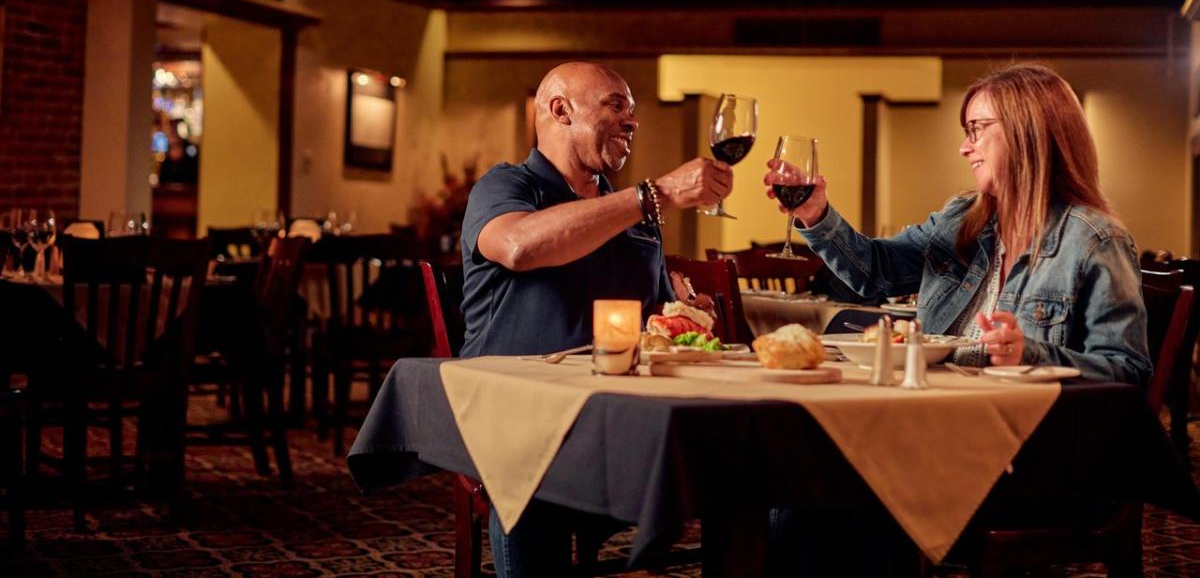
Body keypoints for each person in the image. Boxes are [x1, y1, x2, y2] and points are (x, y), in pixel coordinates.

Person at [459, 61, 733, 576]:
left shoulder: (632, 214)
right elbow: (519, 247)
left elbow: (651, 325)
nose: (632, 121)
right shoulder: (505, 188)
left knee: (756, 456)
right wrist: (656, 195)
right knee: (530, 468)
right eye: (616, 105)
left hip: (620, 415)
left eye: (633, 111)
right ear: (561, 110)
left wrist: (684, 318)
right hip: (522, 415)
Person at [764, 62, 1151, 385]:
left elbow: (1128, 371)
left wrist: (1030, 354)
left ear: (1027, 131)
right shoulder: (960, 218)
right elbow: (875, 273)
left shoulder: (1093, 240)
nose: (965, 147)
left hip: (1025, 432)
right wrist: (815, 212)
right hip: (933, 405)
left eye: (977, 129)